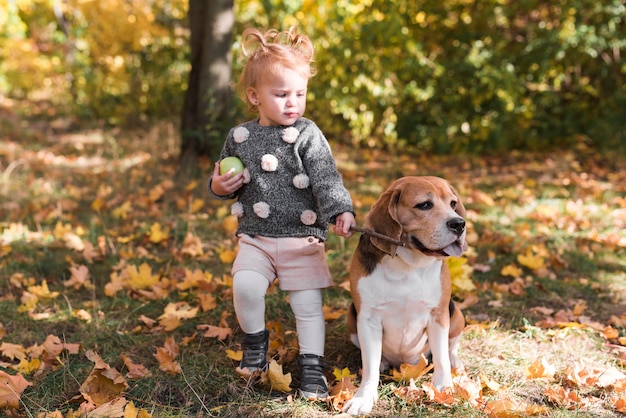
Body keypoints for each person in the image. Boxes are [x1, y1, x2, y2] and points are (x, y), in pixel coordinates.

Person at [208, 26, 356, 400]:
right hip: (255, 238)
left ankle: (311, 367)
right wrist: (219, 188)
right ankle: (255, 343)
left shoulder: (307, 134)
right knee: (245, 287)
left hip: (301, 239)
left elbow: (325, 177)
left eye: (300, 93)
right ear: (254, 96)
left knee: (307, 306)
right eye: (281, 94)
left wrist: (340, 209)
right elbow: (226, 180)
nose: (293, 102)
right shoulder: (239, 136)